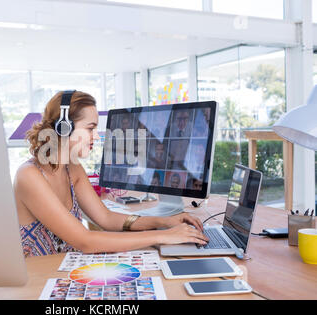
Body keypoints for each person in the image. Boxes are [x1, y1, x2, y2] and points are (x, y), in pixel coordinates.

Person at [14, 91, 208, 257]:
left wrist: (164, 221)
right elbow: (85, 241)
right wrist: (164, 236)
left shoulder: (72, 168)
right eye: (90, 128)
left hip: (62, 271)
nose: (96, 136)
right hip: (37, 280)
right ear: (64, 128)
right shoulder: (29, 176)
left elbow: (106, 218)